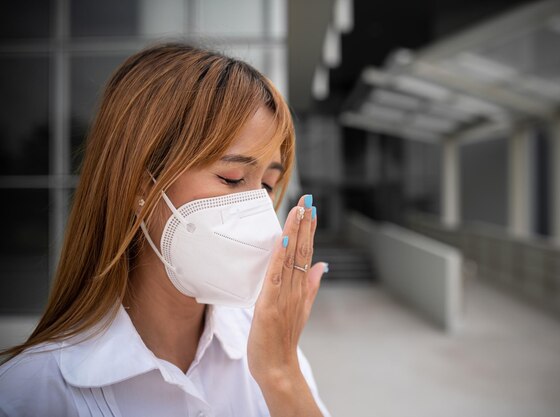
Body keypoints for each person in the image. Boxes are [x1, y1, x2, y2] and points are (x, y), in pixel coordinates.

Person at [0, 42, 331, 417]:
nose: (258, 210)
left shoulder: (266, 347)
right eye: (232, 177)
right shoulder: (31, 392)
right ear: (140, 183)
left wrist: (281, 375)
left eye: (268, 186)